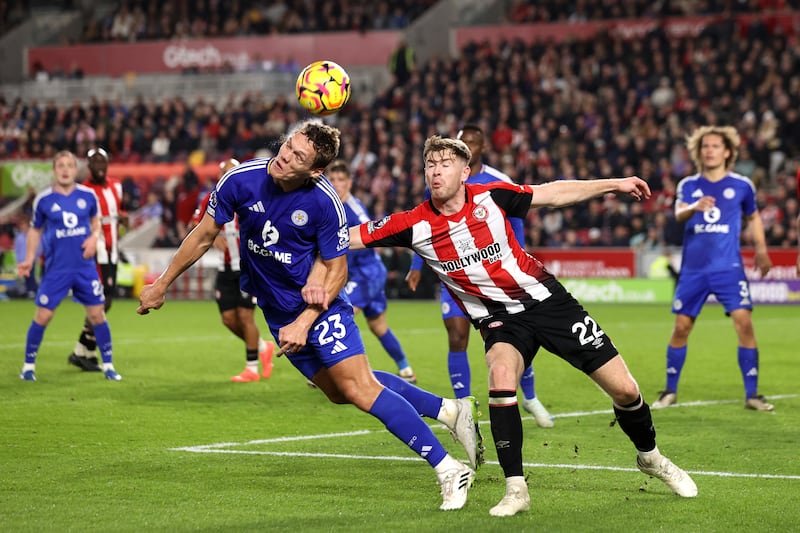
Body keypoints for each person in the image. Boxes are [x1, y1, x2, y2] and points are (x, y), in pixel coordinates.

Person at [137, 121, 481, 510]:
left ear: (315, 170)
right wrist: (162, 282)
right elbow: (202, 234)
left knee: (359, 389)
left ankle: (448, 468)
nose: (285, 157)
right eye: (288, 147)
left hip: (320, 308)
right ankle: (448, 410)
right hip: (276, 310)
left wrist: (304, 321)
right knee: (337, 391)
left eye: (299, 156)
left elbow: (337, 271)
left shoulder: (324, 201)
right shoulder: (240, 180)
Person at [348, 136, 697, 517]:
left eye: (446, 163)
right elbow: (347, 238)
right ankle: (516, 489)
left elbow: (553, 194)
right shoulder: (412, 223)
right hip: (499, 321)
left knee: (626, 390)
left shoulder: (491, 196)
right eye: (430, 163)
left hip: (548, 303)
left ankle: (651, 457)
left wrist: (613, 183)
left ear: (465, 172)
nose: (436, 170)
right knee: (500, 376)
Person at [405, 124, 553, 428]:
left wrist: (520, 258)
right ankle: (463, 408)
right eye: (464, 142)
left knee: (517, 337)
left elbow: (517, 221)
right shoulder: (441, 180)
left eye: (474, 142)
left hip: (496, 273)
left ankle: (531, 396)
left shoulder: (498, 181)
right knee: (456, 336)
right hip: (454, 273)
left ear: (482, 147)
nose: (469, 146)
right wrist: (417, 267)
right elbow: (424, 224)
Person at [653, 126, 774, 412]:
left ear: (727, 152)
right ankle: (670, 390)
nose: (709, 150)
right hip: (694, 270)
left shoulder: (742, 185)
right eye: (705, 146)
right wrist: (695, 206)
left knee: (744, 322)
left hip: (728, 268)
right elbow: (679, 213)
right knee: (681, 327)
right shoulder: (689, 185)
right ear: (699, 151)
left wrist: (761, 249)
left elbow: (754, 218)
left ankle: (752, 394)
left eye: (715, 146)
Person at [18, 150, 121, 382]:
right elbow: (35, 230)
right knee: (43, 316)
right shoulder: (43, 200)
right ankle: (28, 366)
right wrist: (29, 258)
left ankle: (108, 366)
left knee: (98, 315)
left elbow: (96, 222)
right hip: (57, 269)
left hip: (84, 268)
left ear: (76, 170)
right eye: (60, 165)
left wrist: (95, 237)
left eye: (69, 165)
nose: (65, 169)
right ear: (54, 170)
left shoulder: (87, 196)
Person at [326, 159, 416, 383]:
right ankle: (406, 369)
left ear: (349, 183)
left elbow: (374, 233)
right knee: (378, 326)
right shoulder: (332, 206)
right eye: (332, 179)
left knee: (339, 313)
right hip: (364, 274)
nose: (336, 183)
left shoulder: (355, 209)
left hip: (368, 274)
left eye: (340, 180)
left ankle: (336, 369)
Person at [189, 158, 275, 382]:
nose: (228, 176)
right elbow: (194, 225)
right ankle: (261, 346)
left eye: (232, 172)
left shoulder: (253, 195)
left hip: (249, 266)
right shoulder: (212, 198)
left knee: (246, 316)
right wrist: (214, 235)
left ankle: (251, 368)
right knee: (228, 319)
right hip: (225, 267)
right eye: (224, 173)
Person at [68, 147, 126, 372]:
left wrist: (122, 218)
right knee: (102, 301)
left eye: (103, 162)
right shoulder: (82, 191)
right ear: (89, 166)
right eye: (95, 162)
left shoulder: (117, 186)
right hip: (95, 252)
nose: (100, 166)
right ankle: (84, 352)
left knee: (103, 301)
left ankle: (83, 352)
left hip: (111, 251)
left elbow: (117, 211)